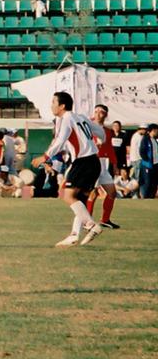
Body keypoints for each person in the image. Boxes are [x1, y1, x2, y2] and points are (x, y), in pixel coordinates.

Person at [31, 92, 105, 246]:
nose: (51, 105)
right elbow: (101, 132)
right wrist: (100, 142)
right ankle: (74, 235)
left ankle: (91, 226)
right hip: (94, 161)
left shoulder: (66, 119)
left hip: (83, 162)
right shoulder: (81, 117)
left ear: (62, 105)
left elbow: (60, 141)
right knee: (80, 200)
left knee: (67, 195)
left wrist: (45, 157)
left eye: (53, 102)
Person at [86, 105, 121, 229]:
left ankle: (105, 219)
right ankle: (87, 221)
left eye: (101, 112)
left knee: (112, 192)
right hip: (91, 162)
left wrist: (115, 164)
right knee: (93, 192)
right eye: (96, 111)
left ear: (105, 115)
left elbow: (110, 149)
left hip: (103, 163)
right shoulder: (87, 126)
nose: (97, 114)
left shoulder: (107, 131)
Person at [140, 123, 158, 199]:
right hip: (147, 165)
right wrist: (147, 159)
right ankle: (146, 198)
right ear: (153, 130)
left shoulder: (155, 140)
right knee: (147, 183)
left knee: (154, 183)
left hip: (155, 164)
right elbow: (142, 151)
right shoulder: (145, 139)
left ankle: (152, 196)